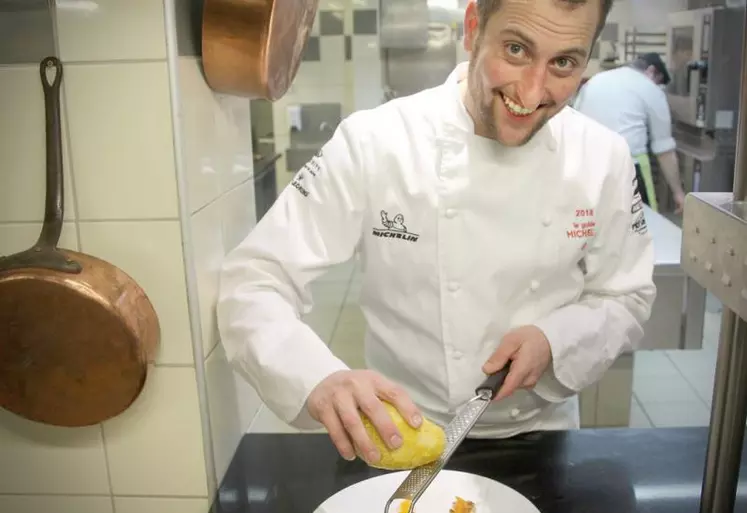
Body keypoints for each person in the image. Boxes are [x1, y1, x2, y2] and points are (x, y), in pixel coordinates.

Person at [217, 0, 656, 466]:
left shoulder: (602, 156)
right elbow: (255, 280)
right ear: (472, 29)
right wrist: (317, 378)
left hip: (541, 436)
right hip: (399, 434)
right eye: (515, 49)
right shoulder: (376, 142)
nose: (531, 92)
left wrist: (558, 339)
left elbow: (627, 296)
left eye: (564, 63)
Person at [573, 52, 687, 213]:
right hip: (627, 169)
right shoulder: (650, 89)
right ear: (652, 71)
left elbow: (574, 123)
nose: (658, 86)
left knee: (590, 224)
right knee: (638, 227)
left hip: (586, 168)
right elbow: (664, 150)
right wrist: (678, 193)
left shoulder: (596, 81)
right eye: (658, 82)